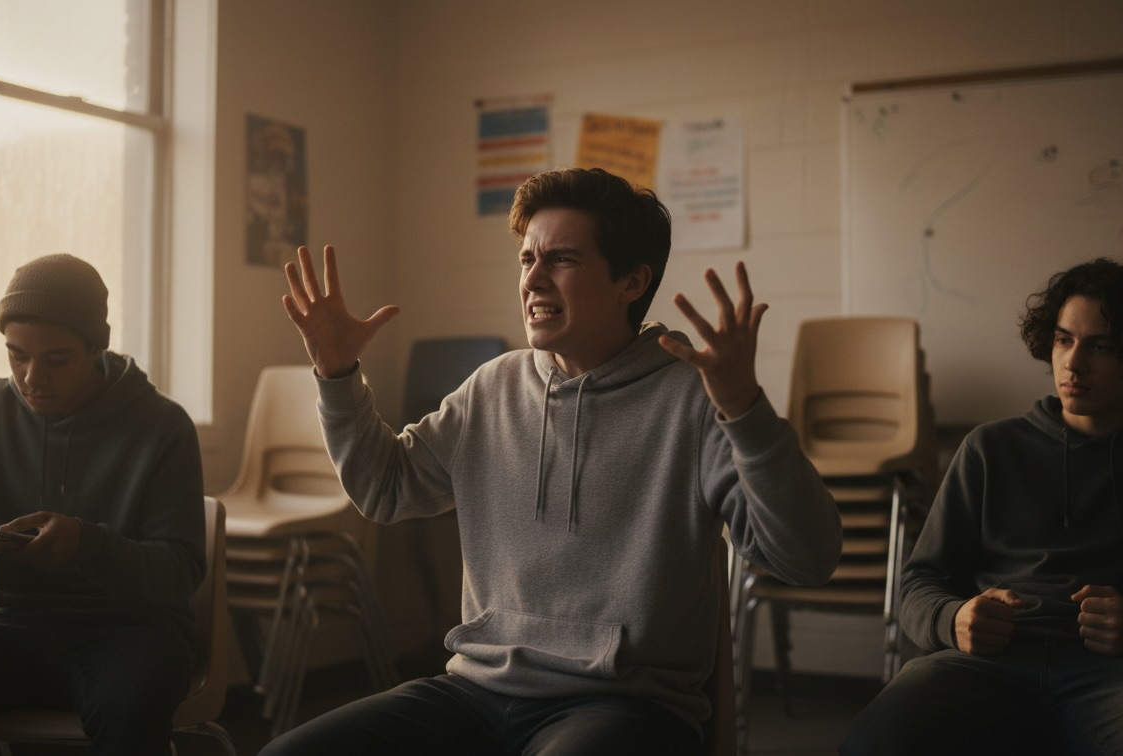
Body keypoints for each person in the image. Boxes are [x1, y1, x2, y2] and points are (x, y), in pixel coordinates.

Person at [262, 167, 842, 755]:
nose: (533, 279)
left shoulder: (693, 398)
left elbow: (807, 558)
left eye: (561, 259)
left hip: (622, 704)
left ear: (631, 282)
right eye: (526, 259)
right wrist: (336, 374)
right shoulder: (494, 387)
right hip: (476, 690)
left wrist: (746, 412)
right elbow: (383, 488)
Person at [841, 258, 1123, 755]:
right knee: (874, 741)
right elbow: (917, 582)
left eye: (1100, 346)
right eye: (1064, 339)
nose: (1072, 363)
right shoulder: (989, 448)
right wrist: (952, 618)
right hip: (988, 662)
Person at [0, 254, 206, 755]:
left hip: (137, 632)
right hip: (15, 627)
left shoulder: (163, 427)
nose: (31, 378)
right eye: (16, 355)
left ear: (96, 347)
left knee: (129, 713)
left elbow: (179, 573)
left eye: (56, 360)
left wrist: (85, 546)